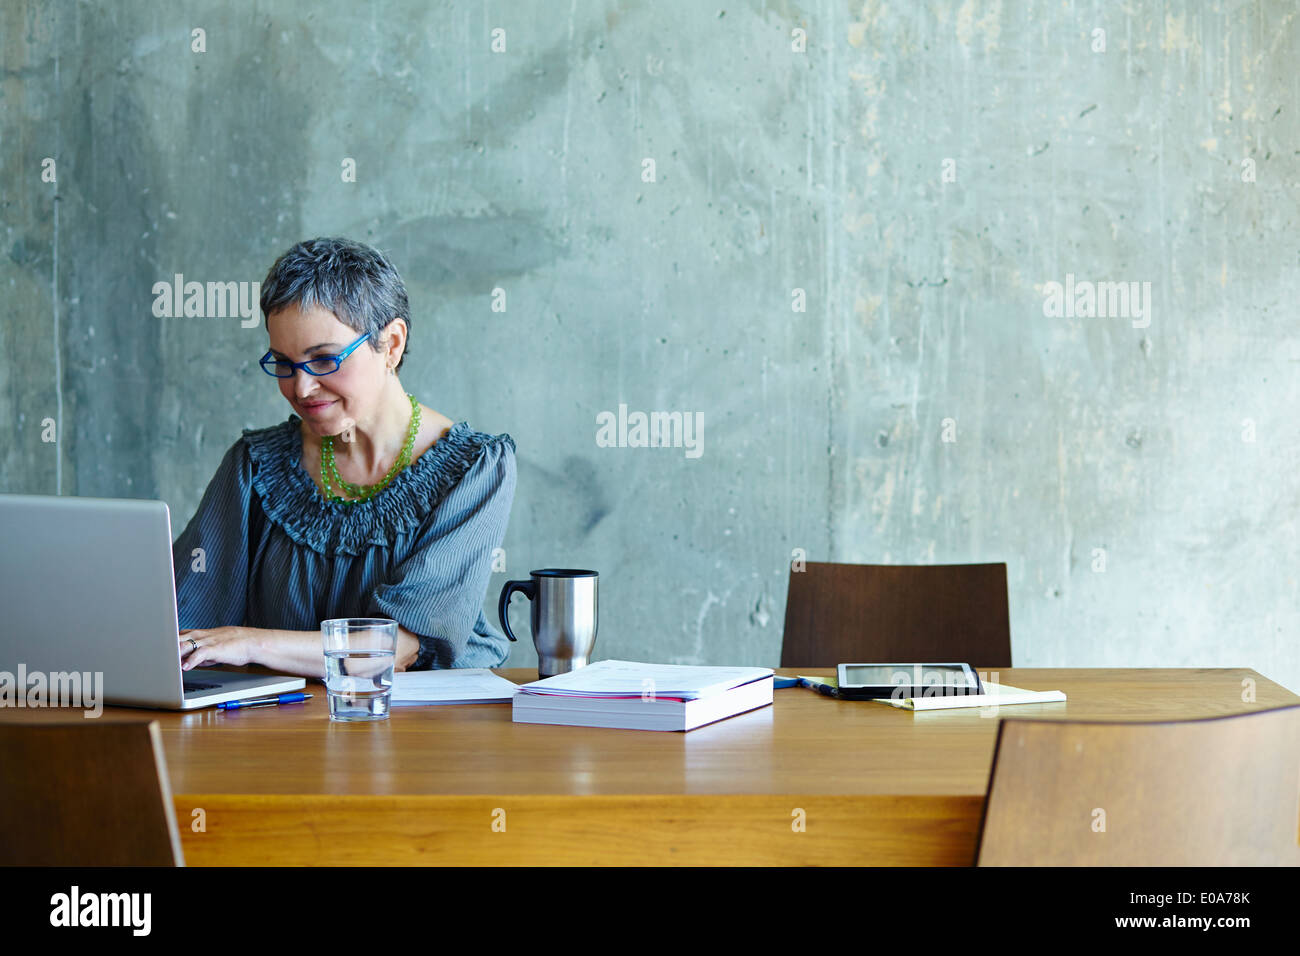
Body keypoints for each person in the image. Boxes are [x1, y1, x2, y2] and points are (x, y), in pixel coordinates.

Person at [172, 237, 516, 676]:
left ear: (391, 344)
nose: (301, 388)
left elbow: (401, 647)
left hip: (428, 727)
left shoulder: (473, 468)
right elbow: (183, 617)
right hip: (283, 725)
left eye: (323, 360)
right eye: (285, 363)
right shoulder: (254, 466)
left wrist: (251, 642)